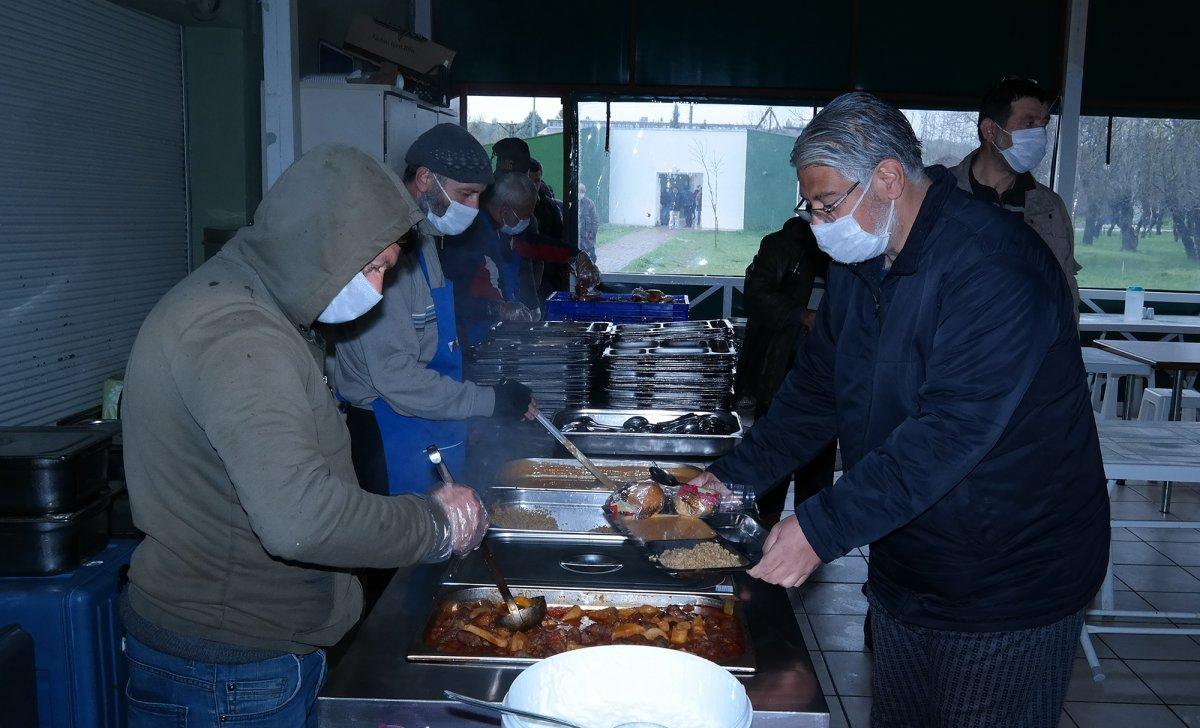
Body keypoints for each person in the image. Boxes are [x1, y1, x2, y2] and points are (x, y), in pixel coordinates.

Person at [689, 92, 1108, 727]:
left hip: (1008, 575)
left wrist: (820, 528)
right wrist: (731, 478)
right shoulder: (864, 261)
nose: (818, 222)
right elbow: (814, 394)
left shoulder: (993, 266)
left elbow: (949, 433)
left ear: (888, 175)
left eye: (827, 204)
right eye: (810, 206)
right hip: (910, 561)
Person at [119, 143, 490, 727]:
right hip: (230, 670)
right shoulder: (240, 337)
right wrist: (436, 524)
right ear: (324, 247)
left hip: (238, 656)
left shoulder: (250, 300)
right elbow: (302, 521)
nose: (378, 286)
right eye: (375, 267)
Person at [329, 124, 537, 496]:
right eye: (466, 194)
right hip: (388, 432)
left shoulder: (424, 240)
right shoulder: (385, 252)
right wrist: (488, 400)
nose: (474, 208)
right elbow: (397, 379)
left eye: (479, 196)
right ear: (426, 179)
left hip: (425, 426)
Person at [950, 75, 1081, 310]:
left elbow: (1066, 293)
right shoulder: (941, 194)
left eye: (1044, 124)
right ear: (990, 130)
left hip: (1031, 344)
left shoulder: (1050, 207)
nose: (1040, 135)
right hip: (956, 343)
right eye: (1029, 123)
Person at [735, 216, 833, 529]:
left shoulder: (846, 252)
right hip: (781, 365)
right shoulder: (780, 245)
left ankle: (810, 532)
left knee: (819, 455)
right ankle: (762, 525)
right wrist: (802, 315)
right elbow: (756, 296)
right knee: (773, 446)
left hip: (829, 366)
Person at [442, 172, 544, 345]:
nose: (526, 221)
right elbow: (453, 296)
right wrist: (497, 308)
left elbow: (534, 248)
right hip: (474, 335)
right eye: (524, 216)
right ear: (505, 210)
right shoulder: (471, 234)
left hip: (498, 332)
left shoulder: (501, 229)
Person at [578, 183, 600, 261]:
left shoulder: (589, 203)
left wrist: (592, 234)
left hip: (587, 238)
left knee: (591, 259)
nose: (579, 194)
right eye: (578, 192)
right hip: (577, 239)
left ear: (584, 193)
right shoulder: (572, 203)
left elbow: (595, 220)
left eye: (581, 192)